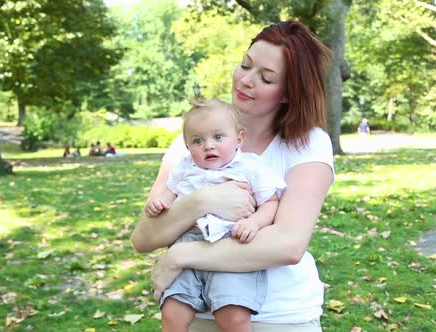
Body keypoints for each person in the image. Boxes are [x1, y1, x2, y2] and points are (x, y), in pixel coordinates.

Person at [131, 19, 334, 331]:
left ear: (287, 94)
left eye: (266, 78)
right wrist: (205, 200)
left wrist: (179, 255)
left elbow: (287, 244)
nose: (246, 80)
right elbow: (144, 237)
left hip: (279, 318)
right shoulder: (193, 142)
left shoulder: (307, 143)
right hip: (196, 314)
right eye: (245, 65)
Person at [145, 99, 286, 332]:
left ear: (239, 139)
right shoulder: (185, 167)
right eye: (198, 141)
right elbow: (169, 194)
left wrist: (254, 222)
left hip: (232, 246)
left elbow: (271, 203)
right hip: (187, 240)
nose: (208, 146)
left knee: (233, 315)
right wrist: (159, 203)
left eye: (218, 137)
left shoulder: (250, 167)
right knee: (172, 312)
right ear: (188, 146)